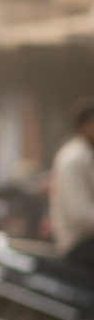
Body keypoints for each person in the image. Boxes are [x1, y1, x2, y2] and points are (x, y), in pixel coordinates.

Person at [50, 96, 94, 276]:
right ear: (85, 125)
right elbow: (80, 215)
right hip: (78, 242)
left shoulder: (87, 155)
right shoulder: (73, 160)